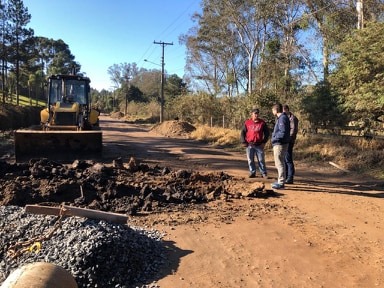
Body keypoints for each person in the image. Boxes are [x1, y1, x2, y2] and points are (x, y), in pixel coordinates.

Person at [240, 108, 270, 178]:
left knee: (261, 159)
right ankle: (252, 172)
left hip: (259, 144)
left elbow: (267, 133)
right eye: (255, 113)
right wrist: (243, 142)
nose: (256, 115)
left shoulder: (262, 123)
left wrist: (264, 142)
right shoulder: (247, 122)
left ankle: (263, 173)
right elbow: (242, 133)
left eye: (257, 113)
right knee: (250, 159)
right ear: (252, 114)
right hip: (250, 144)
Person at [271, 103, 290, 189]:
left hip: (280, 144)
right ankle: (280, 180)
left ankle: (281, 182)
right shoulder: (282, 118)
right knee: (280, 162)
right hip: (281, 143)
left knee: (279, 163)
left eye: (272, 110)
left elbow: (282, 132)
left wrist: (274, 138)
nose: (272, 111)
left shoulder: (282, 118)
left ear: (275, 110)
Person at [283, 105, 299, 184]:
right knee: (284, 159)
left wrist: (288, 139)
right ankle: (285, 176)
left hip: (289, 141)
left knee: (288, 159)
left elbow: (293, 130)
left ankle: (290, 177)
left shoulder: (293, 118)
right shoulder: (284, 118)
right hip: (284, 140)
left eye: (283, 111)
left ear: (287, 110)